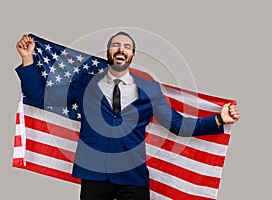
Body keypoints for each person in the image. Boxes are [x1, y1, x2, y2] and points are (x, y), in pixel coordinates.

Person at [15, 32, 240, 200]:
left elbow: (178, 125)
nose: (120, 49)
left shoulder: (150, 91)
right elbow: (40, 97)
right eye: (115, 45)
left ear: (132, 55)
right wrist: (28, 59)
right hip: (94, 179)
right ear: (108, 53)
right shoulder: (84, 82)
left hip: (133, 180)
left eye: (126, 46)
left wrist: (218, 120)